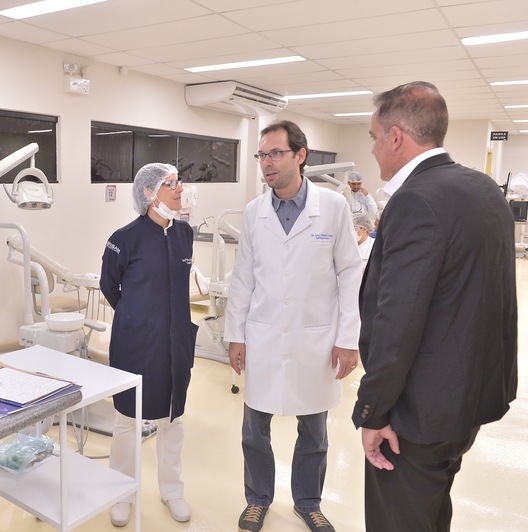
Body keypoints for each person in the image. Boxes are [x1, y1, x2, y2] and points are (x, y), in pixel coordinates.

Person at [354, 81, 518, 531]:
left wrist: (373, 412)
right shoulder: (483, 188)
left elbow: (397, 321)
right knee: (429, 512)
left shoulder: (415, 200)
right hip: (470, 399)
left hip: (418, 414)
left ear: (396, 137)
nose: (372, 148)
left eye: (373, 137)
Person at [224, 120, 362, 532]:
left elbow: (350, 273)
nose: (266, 163)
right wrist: (235, 335)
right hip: (263, 335)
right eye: (262, 155)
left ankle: (308, 502)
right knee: (254, 429)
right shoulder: (255, 212)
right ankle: (257, 499)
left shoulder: (333, 207)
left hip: (315, 338)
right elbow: (243, 277)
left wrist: (348, 339)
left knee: (314, 431)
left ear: (300, 155)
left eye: (275, 153)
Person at [100, 162, 198, 527]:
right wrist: (136, 316)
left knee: (173, 420)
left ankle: (172, 490)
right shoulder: (124, 238)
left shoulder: (184, 233)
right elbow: (109, 286)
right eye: (171, 184)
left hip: (175, 342)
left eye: (179, 182)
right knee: (128, 421)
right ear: (149, 193)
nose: (180, 189)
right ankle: (121, 492)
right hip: (136, 342)